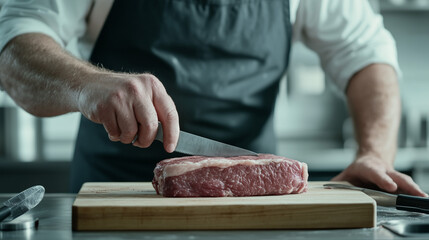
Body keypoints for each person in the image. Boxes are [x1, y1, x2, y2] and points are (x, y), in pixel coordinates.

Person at [0, 0, 426, 196]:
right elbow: (14, 41)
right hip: (117, 202)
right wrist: (86, 84)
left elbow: (367, 53)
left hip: (255, 205)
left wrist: (375, 152)